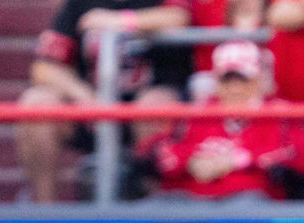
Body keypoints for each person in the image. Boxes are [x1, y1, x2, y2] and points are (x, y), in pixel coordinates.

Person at [15, 0, 194, 203]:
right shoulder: (78, 5)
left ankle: (155, 210)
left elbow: (179, 17)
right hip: (92, 111)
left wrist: (122, 21)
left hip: (150, 112)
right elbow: (44, 68)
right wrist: (85, 96)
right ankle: (42, 212)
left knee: (155, 105)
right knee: (37, 103)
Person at [151, 40, 304, 199]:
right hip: (192, 197)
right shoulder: (198, 113)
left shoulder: (281, 113)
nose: (235, 89)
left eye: (243, 80)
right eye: (227, 80)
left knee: (247, 203)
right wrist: (191, 163)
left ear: (259, 79)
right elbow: (162, 153)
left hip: (250, 200)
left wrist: (238, 161)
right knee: (158, 207)